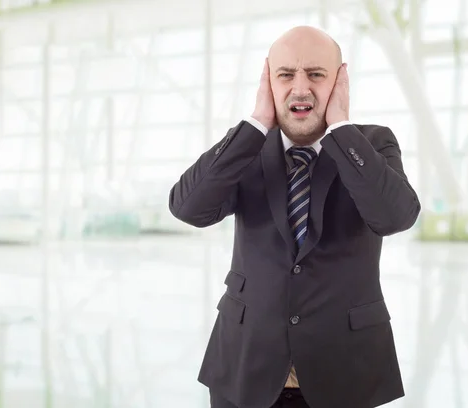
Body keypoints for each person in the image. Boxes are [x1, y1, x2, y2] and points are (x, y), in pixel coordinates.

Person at [169, 25, 420, 408]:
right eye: (285, 75)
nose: (300, 88)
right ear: (268, 81)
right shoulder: (246, 148)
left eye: (316, 75)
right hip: (244, 371)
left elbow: (395, 216)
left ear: (339, 81)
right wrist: (255, 123)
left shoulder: (370, 144)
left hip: (346, 374)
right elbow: (188, 207)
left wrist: (341, 128)